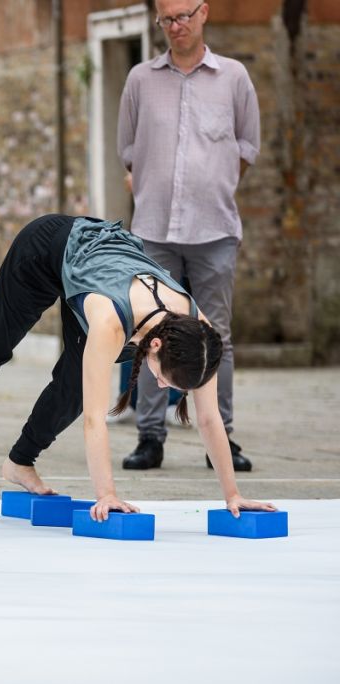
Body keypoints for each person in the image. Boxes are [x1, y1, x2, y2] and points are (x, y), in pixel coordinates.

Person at [0, 214, 275, 520]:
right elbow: (95, 420)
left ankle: (19, 463)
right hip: (46, 250)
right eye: (166, 380)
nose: (164, 388)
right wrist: (107, 494)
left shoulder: (199, 334)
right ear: (155, 345)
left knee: (73, 386)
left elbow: (210, 419)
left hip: (97, 275)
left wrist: (233, 495)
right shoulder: (110, 323)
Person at [117, 0, 260, 472]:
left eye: (184, 16)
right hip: (154, 229)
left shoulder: (235, 78)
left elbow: (245, 148)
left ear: (204, 13)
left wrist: (211, 182)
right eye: (167, 19)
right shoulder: (140, 79)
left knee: (216, 335)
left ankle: (221, 439)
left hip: (214, 228)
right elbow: (128, 150)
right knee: (151, 333)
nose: (176, 26)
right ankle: (149, 436)